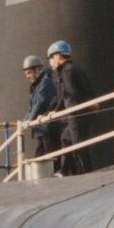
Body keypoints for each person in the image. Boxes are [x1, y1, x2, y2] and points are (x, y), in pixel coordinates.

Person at [46, 41, 93, 176]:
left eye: (50, 58)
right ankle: (64, 170)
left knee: (78, 146)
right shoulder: (75, 69)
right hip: (79, 113)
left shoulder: (66, 71)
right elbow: (66, 97)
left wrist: (81, 105)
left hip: (76, 114)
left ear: (58, 56)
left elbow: (71, 94)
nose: (50, 62)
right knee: (66, 139)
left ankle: (87, 174)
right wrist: (52, 112)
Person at [20, 55, 59, 176]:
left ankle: (54, 180)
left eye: (29, 73)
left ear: (38, 69)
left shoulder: (45, 82)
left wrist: (29, 120)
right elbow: (32, 107)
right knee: (40, 157)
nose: (27, 76)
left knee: (50, 157)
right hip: (41, 129)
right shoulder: (38, 85)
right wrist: (24, 122)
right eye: (26, 73)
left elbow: (41, 102)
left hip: (48, 128)